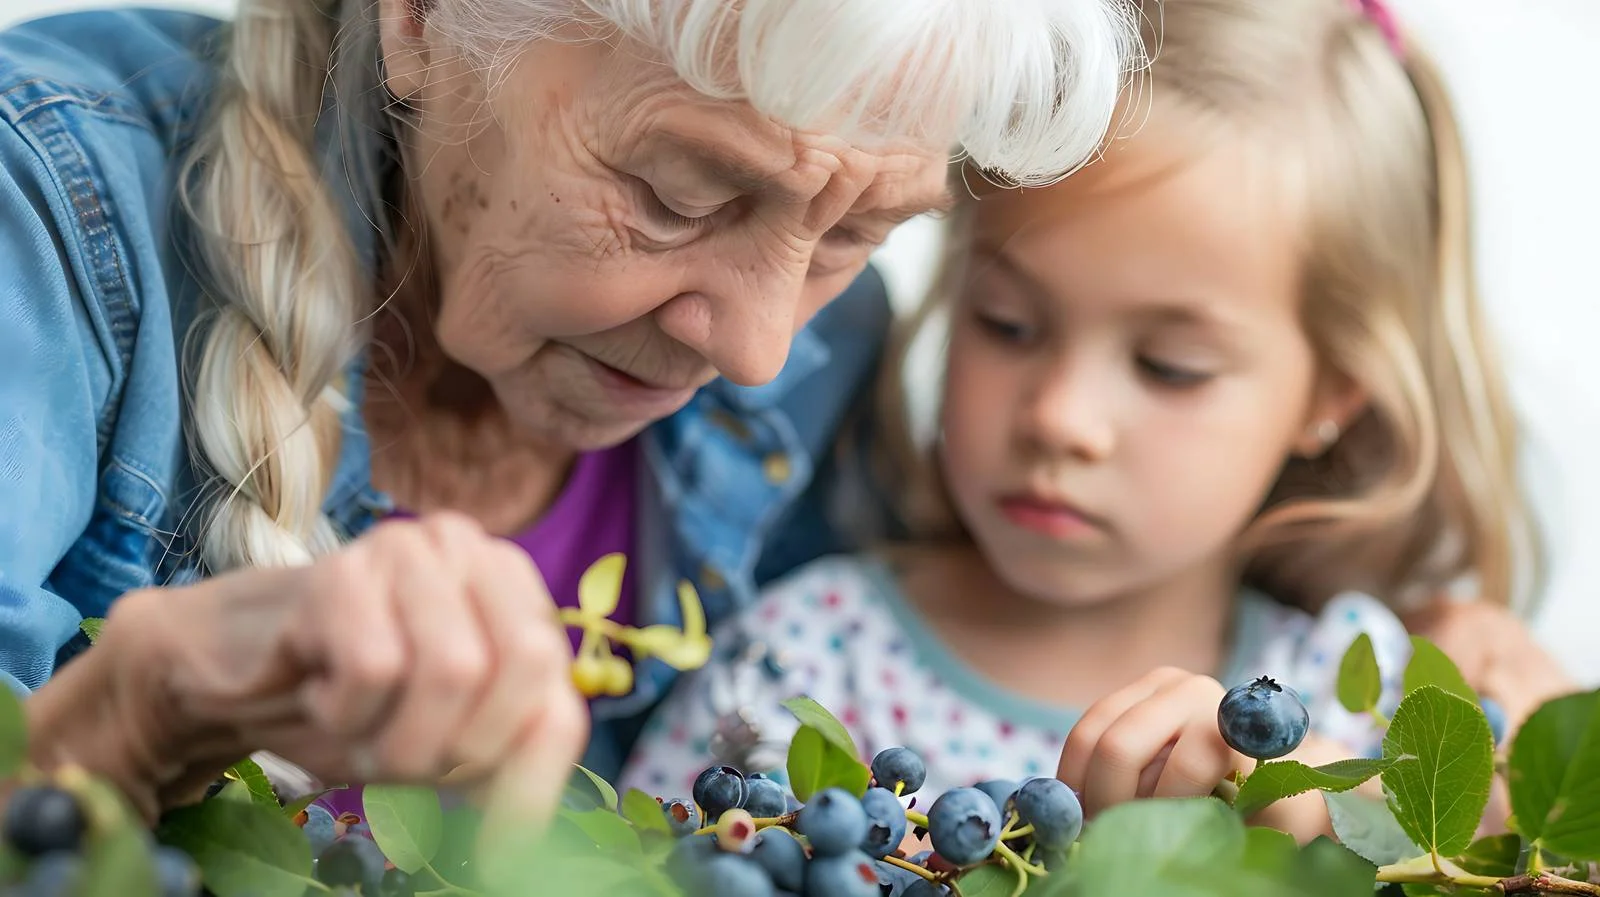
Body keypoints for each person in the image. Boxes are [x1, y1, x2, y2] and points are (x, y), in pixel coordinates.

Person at [0, 0, 1142, 825]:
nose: (757, 351)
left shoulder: (825, 360)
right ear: (419, 19)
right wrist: (142, 716)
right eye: (676, 196)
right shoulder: (49, 208)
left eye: (852, 237)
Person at [618, 0, 1577, 842]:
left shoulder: (1368, 712)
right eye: (1007, 323)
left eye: (1170, 367)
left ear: (1333, 395)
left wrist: (1328, 840)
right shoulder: (804, 663)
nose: (1061, 418)